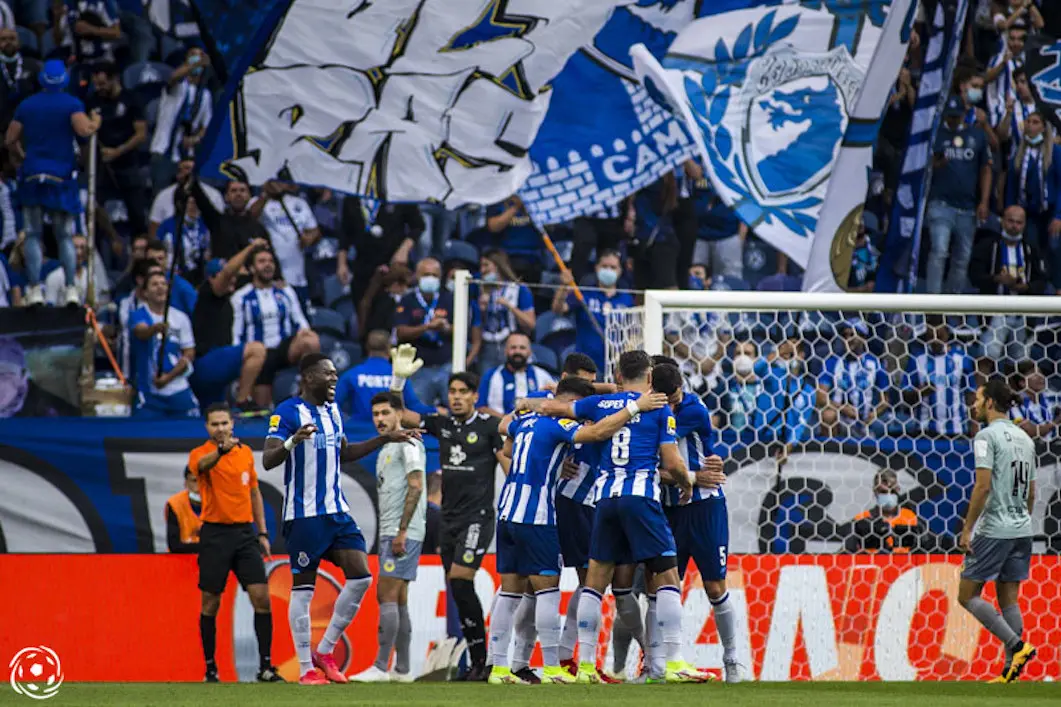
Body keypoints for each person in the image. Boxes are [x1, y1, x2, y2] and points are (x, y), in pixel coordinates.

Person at [523, 351, 697, 683]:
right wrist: (686, 481)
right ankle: (674, 663)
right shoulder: (660, 410)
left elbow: (547, 407)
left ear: (617, 375)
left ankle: (586, 664)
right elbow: (673, 463)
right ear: (649, 378)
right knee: (667, 576)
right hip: (641, 497)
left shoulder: (596, 406)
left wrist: (547, 398)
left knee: (594, 583)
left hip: (604, 499)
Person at [488, 377, 669, 685]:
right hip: (537, 515)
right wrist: (635, 406)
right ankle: (552, 669)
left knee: (510, 591)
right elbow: (598, 431)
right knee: (547, 590)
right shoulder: (560, 424)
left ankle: (499, 668)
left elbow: (505, 444)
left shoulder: (523, 421)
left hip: (506, 511)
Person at [262, 353, 420, 685]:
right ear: (307, 378)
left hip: (337, 511)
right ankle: (306, 668)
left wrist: (384, 439)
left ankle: (325, 649)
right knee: (303, 592)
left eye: (336, 374)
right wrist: (293, 441)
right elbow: (268, 460)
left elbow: (344, 453)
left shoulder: (333, 411)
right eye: (327, 375)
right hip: (304, 515)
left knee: (361, 578)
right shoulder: (287, 412)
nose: (334, 379)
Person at [389, 346, 506, 681]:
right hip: (449, 519)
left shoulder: (488, 426)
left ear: (474, 396)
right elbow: (400, 415)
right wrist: (398, 381)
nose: (456, 398)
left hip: (478, 517)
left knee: (460, 579)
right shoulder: (441, 423)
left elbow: (505, 462)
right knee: (457, 589)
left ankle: (483, 659)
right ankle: (478, 662)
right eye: (452, 392)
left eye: (462, 393)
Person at [651, 357, 740, 682]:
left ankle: (731, 659)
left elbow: (661, 452)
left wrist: (688, 477)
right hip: (670, 508)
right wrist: (689, 477)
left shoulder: (691, 410)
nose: (674, 402)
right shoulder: (651, 409)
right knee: (662, 586)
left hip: (705, 507)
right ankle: (657, 665)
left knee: (714, 585)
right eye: (668, 399)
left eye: (676, 396)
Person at [187, 403, 283, 683]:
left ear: (232, 425)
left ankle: (265, 667)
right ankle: (210, 668)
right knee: (210, 603)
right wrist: (220, 451)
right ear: (207, 427)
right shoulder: (201, 454)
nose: (220, 429)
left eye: (224, 423)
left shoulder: (244, 454)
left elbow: (254, 494)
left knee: (261, 597)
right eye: (214, 424)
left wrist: (262, 533)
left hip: (244, 534)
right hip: (215, 535)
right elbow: (200, 468)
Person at [958, 377, 1037, 683]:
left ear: (990, 402)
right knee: (1008, 599)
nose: (974, 405)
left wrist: (967, 529)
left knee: (967, 595)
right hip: (1022, 527)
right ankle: (1010, 673)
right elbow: (1031, 491)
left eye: (978, 399)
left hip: (995, 527)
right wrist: (1021, 521)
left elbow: (982, 485)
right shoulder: (1025, 439)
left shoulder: (986, 436)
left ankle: (1017, 646)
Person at [4, 60, 100, 307]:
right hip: (61, 176)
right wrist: (94, 121)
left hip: (33, 174)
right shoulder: (71, 104)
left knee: (33, 234)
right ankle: (70, 288)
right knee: (64, 235)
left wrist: (21, 159)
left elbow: (10, 139)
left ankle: (34, 288)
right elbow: (84, 131)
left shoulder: (27, 105)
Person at [348, 392, 427, 683]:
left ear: (399, 414)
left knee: (386, 594)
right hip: (395, 530)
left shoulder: (407, 443)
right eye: (376, 414)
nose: (380, 419)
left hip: (401, 531)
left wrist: (402, 530)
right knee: (400, 598)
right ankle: (403, 669)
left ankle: (381, 667)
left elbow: (416, 485)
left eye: (386, 413)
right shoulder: (389, 446)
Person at [231, 246, 319, 406]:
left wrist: (304, 333)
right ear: (251, 268)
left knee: (311, 340)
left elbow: (301, 322)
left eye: (271, 261)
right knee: (262, 409)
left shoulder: (286, 291)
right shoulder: (240, 297)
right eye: (262, 261)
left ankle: (306, 397)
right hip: (258, 355)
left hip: (283, 350)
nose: (268, 265)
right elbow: (235, 333)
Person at [189, 243, 270, 413]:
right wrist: (251, 247)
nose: (232, 279)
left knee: (214, 416)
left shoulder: (229, 299)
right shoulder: (208, 293)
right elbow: (228, 273)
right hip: (206, 363)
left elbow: (238, 276)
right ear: (212, 278)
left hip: (216, 367)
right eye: (227, 276)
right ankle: (242, 401)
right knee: (256, 350)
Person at [926, 96, 993, 295]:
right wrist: (937, 165)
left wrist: (984, 201)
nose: (954, 120)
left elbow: (986, 169)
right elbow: (927, 167)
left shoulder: (977, 136)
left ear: (964, 115)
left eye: (957, 116)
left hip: (967, 207)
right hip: (941, 203)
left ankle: (950, 304)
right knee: (939, 251)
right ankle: (933, 305)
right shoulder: (937, 134)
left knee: (962, 258)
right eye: (951, 117)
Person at [969, 205, 1047, 362]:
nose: (1014, 226)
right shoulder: (988, 245)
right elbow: (974, 275)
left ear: (1024, 224)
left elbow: (1042, 281)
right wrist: (996, 279)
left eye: (1019, 222)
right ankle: (982, 387)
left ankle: (1013, 386)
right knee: (987, 357)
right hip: (995, 311)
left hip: (1022, 313)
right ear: (1002, 221)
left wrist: (1025, 287)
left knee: (1021, 363)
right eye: (1011, 221)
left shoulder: (1031, 250)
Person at [87, 61, 147, 236]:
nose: (100, 88)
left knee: (137, 214)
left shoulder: (131, 99)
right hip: (101, 164)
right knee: (93, 208)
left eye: (103, 83)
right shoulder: (92, 100)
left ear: (115, 79)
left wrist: (117, 151)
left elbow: (141, 134)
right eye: (97, 84)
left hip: (127, 162)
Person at [550, 250, 634, 375]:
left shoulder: (627, 299)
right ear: (596, 268)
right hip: (586, 363)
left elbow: (633, 331)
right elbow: (558, 309)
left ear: (620, 270)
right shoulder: (584, 293)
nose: (608, 270)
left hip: (615, 364)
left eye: (613, 267)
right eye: (604, 266)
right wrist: (563, 286)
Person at [129, 270, 199, 418]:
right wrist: (155, 328)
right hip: (149, 393)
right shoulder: (138, 315)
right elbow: (141, 332)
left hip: (178, 388)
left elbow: (189, 352)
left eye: (163, 284)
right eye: (154, 284)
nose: (160, 287)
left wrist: (169, 377)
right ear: (145, 293)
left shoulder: (180, 317)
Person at [334, 329, 433, 425]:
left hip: (357, 435)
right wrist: (436, 410)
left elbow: (334, 403)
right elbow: (413, 405)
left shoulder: (352, 374)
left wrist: (344, 423)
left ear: (367, 347)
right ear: (389, 348)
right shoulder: (398, 374)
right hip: (388, 433)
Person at [900, 315, 977, 436]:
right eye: (931, 337)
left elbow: (971, 396)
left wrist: (974, 427)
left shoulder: (962, 359)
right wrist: (919, 392)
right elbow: (905, 397)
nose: (935, 341)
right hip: (924, 431)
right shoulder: (917, 359)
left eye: (939, 336)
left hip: (956, 431)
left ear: (947, 333)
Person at [149, 48, 212, 196]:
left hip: (184, 155)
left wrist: (195, 139)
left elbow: (206, 125)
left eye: (200, 56)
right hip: (163, 150)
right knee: (161, 195)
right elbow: (173, 77)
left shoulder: (205, 95)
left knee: (185, 196)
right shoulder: (177, 87)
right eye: (193, 56)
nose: (197, 59)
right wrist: (193, 65)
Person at [394, 257, 454, 407]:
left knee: (455, 411)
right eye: (426, 274)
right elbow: (400, 332)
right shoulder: (407, 300)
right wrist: (427, 327)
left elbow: (462, 330)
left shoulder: (449, 299)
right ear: (417, 276)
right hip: (419, 368)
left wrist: (445, 327)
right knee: (418, 412)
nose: (431, 279)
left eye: (434, 275)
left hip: (446, 365)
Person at [249, 181, 321, 304]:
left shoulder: (299, 203)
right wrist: (266, 194)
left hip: (297, 276)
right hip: (270, 277)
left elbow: (315, 232)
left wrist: (309, 239)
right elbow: (250, 216)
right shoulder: (257, 202)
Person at [477, 249, 535, 372]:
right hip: (487, 348)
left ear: (498, 266)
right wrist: (481, 309)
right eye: (481, 266)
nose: (482, 270)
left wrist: (510, 307)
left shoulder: (520, 290)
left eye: (486, 265)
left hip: (512, 344)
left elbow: (530, 323)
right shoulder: (480, 289)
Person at [844, 470, 922, 554]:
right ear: (875, 491)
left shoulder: (910, 517)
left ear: (898, 490)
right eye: (883, 492)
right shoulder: (861, 520)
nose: (888, 495)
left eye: (892, 491)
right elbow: (848, 553)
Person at [477, 332, 554, 416]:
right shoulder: (491, 376)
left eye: (522, 348)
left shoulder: (542, 376)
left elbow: (554, 403)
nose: (517, 351)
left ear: (530, 352)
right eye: (513, 348)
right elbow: (481, 407)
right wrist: (507, 421)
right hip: (499, 426)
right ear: (505, 351)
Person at [150, 160, 224, 239]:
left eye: (193, 169)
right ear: (178, 173)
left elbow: (220, 227)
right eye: (186, 168)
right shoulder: (163, 196)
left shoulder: (214, 195)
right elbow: (154, 232)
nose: (190, 172)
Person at [43, 233, 110, 307]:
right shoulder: (54, 277)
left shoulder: (91, 277)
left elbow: (94, 306)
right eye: (75, 248)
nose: (79, 252)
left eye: (82, 248)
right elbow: (49, 308)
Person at [165, 467, 202, 554]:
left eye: (203, 481)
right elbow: (174, 545)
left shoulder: (219, 504)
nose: (200, 486)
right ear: (186, 483)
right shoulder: (175, 504)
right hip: (181, 559)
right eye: (194, 481)